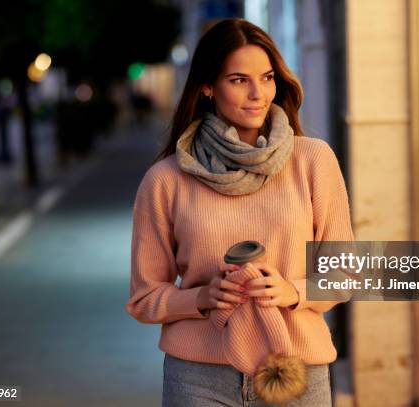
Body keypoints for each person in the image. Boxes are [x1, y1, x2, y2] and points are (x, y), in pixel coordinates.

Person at [126, 18, 354, 407]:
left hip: (296, 372)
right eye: (238, 80)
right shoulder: (165, 180)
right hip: (198, 379)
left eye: (266, 78)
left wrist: (292, 291)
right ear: (207, 88)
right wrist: (202, 297)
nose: (257, 94)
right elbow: (145, 298)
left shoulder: (313, 160)